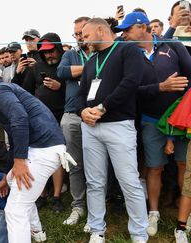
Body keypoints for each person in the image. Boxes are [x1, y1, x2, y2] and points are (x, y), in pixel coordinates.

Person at [0, 63, 70, 243]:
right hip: (42, 148)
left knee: (15, 209)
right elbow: (16, 139)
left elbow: (20, 118)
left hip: (43, 150)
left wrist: (20, 160)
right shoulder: (2, 90)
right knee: (21, 194)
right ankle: (37, 233)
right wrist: (6, 177)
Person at [117, 11, 191, 237]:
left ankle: (185, 213)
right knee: (154, 167)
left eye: (127, 30)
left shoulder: (173, 45)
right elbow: (129, 91)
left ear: (142, 27)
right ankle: (154, 212)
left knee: (183, 165)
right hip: (150, 119)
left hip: (179, 120)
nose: (125, 35)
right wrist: (161, 87)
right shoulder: (129, 54)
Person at [77, 18, 149, 242]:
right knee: (94, 181)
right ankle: (97, 228)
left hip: (118, 126)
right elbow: (80, 95)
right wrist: (82, 112)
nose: (84, 41)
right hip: (91, 127)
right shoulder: (90, 61)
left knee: (129, 181)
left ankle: (139, 233)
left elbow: (130, 82)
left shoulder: (127, 50)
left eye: (86, 36)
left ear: (101, 30)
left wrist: (102, 107)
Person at [20, 32, 66, 213]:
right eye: (45, 52)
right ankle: (41, 195)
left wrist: (59, 87)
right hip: (39, 119)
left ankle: (57, 197)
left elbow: (75, 93)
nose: (49, 55)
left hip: (61, 115)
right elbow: (26, 92)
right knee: (38, 156)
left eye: (52, 51)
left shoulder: (65, 65)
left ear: (59, 48)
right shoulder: (35, 68)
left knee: (58, 157)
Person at [57, 16, 91, 226]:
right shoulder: (70, 53)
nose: (79, 37)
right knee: (75, 164)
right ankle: (78, 206)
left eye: (82, 33)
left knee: (98, 165)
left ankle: (98, 205)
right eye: (76, 34)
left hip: (99, 116)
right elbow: (62, 72)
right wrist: (92, 68)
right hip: (71, 115)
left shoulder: (102, 52)